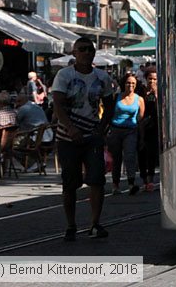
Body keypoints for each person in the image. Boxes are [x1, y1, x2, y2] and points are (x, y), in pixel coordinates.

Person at [51, 37, 117, 241]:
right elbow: (58, 105)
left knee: (97, 180)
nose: (87, 53)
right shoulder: (64, 75)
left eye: (90, 49)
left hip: (92, 136)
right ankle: (71, 225)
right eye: (83, 49)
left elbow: (109, 105)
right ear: (74, 53)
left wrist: (101, 128)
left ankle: (95, 223)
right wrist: (70, 128)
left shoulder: (102, 77)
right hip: (67, 137)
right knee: (70, 183)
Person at [107, 73, 145, 196]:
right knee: (116, 158)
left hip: (131, 131)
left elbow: (140, 118)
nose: (130, 85)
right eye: (128, 83)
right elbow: (109, 113)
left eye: (133, 83)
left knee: (130, 156)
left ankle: (131, 184)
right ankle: (115, 185)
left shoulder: (139, 99)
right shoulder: (116, 97)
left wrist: (141, 136)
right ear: (124, 84)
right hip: (115, 130)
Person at [137, 68, 160, 192]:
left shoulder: (160, 92)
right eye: (150, 79)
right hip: (142, 125)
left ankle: (150, 179)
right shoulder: (141, 92)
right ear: (146, 79)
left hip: (154, 126)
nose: (152, 81)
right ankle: (144, 179)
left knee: (151, 153)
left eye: (154, 79)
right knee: (141, 152)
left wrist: (156, 94)